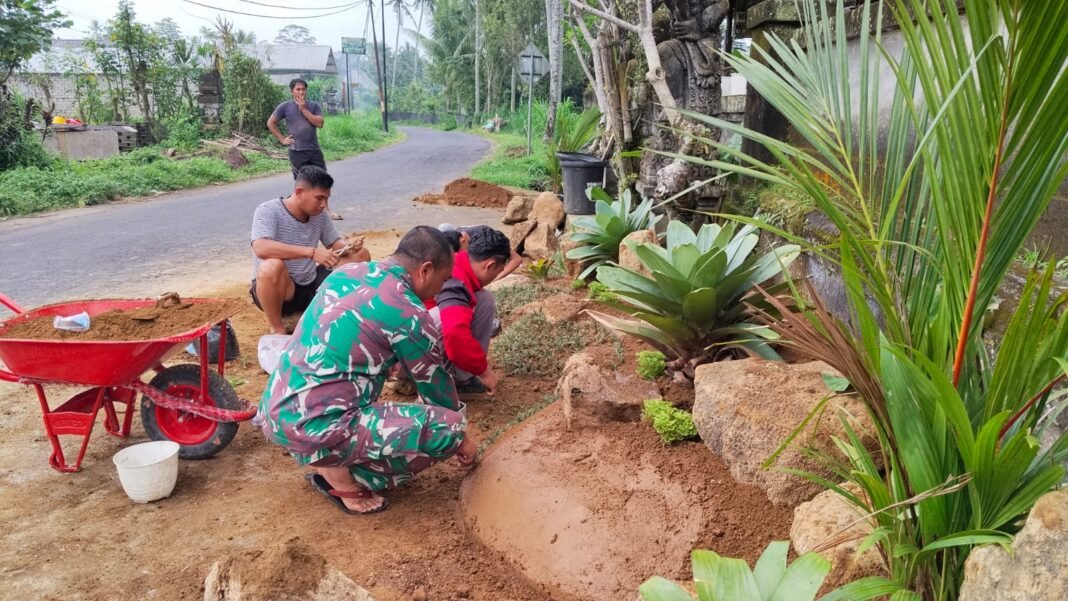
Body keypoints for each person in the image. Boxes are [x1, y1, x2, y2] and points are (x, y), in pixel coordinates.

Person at [259, 226, 476, 515]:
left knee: (363, 401)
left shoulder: (346, 273)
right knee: (448, 428)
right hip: (315, 425)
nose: (442, 288)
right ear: (425, 270)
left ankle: (323, 454)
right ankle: (348, 481)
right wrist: (462, 437)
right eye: (443, 279)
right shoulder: (409, 313)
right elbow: (438, 394)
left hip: (277, 411)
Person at [250, 166, 370, 335]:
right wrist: (311, 252)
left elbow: (335, 244)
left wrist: (350, 246)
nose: (324, 205)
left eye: (326, 199)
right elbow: (261, 247)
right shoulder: (268, 210)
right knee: (271, 266)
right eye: (319, 198)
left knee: (360, 256)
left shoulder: (319, 216)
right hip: (282, 291)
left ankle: (337, 313)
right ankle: (277, 328)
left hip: (311, 284)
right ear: (299, 192)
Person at [430, 226, 512, 395]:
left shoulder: (460, 261)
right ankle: (428, 384)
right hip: (401, 353)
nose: (495, 277)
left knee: (483, 298)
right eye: (498, 271)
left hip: (410, 335)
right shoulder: (456, 281)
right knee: (443, 319)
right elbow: (454, 334)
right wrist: (484, 372)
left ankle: (462, 378)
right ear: (489, 265)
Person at [267, 78, 342, 220]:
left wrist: (303, 109)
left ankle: (326, 210)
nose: (301, 92)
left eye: (303, 89)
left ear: (306, 91)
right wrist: (282, 139)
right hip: (296, 151)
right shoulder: (285, 106)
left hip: (313, 150)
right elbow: (271, 123)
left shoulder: (313, 106)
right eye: (298, 89)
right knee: (301, 182)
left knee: (322, 180)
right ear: (292, 91)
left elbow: (319, 123)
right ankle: (297, 210)